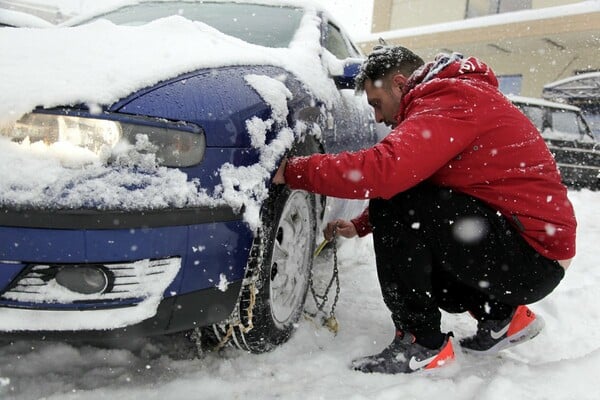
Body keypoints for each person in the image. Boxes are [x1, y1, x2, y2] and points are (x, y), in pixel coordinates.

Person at [272, 45, 576, 374]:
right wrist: (361, 225)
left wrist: (292, 171)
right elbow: (424, 183)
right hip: (530, 249)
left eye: (377, 103)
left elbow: (384, 174)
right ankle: (502, 317)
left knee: (392, 196)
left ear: (400, 84)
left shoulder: (450, 98)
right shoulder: (456, 95)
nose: (377, 117)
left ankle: (422, 343)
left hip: (531, 256)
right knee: (403, 199)